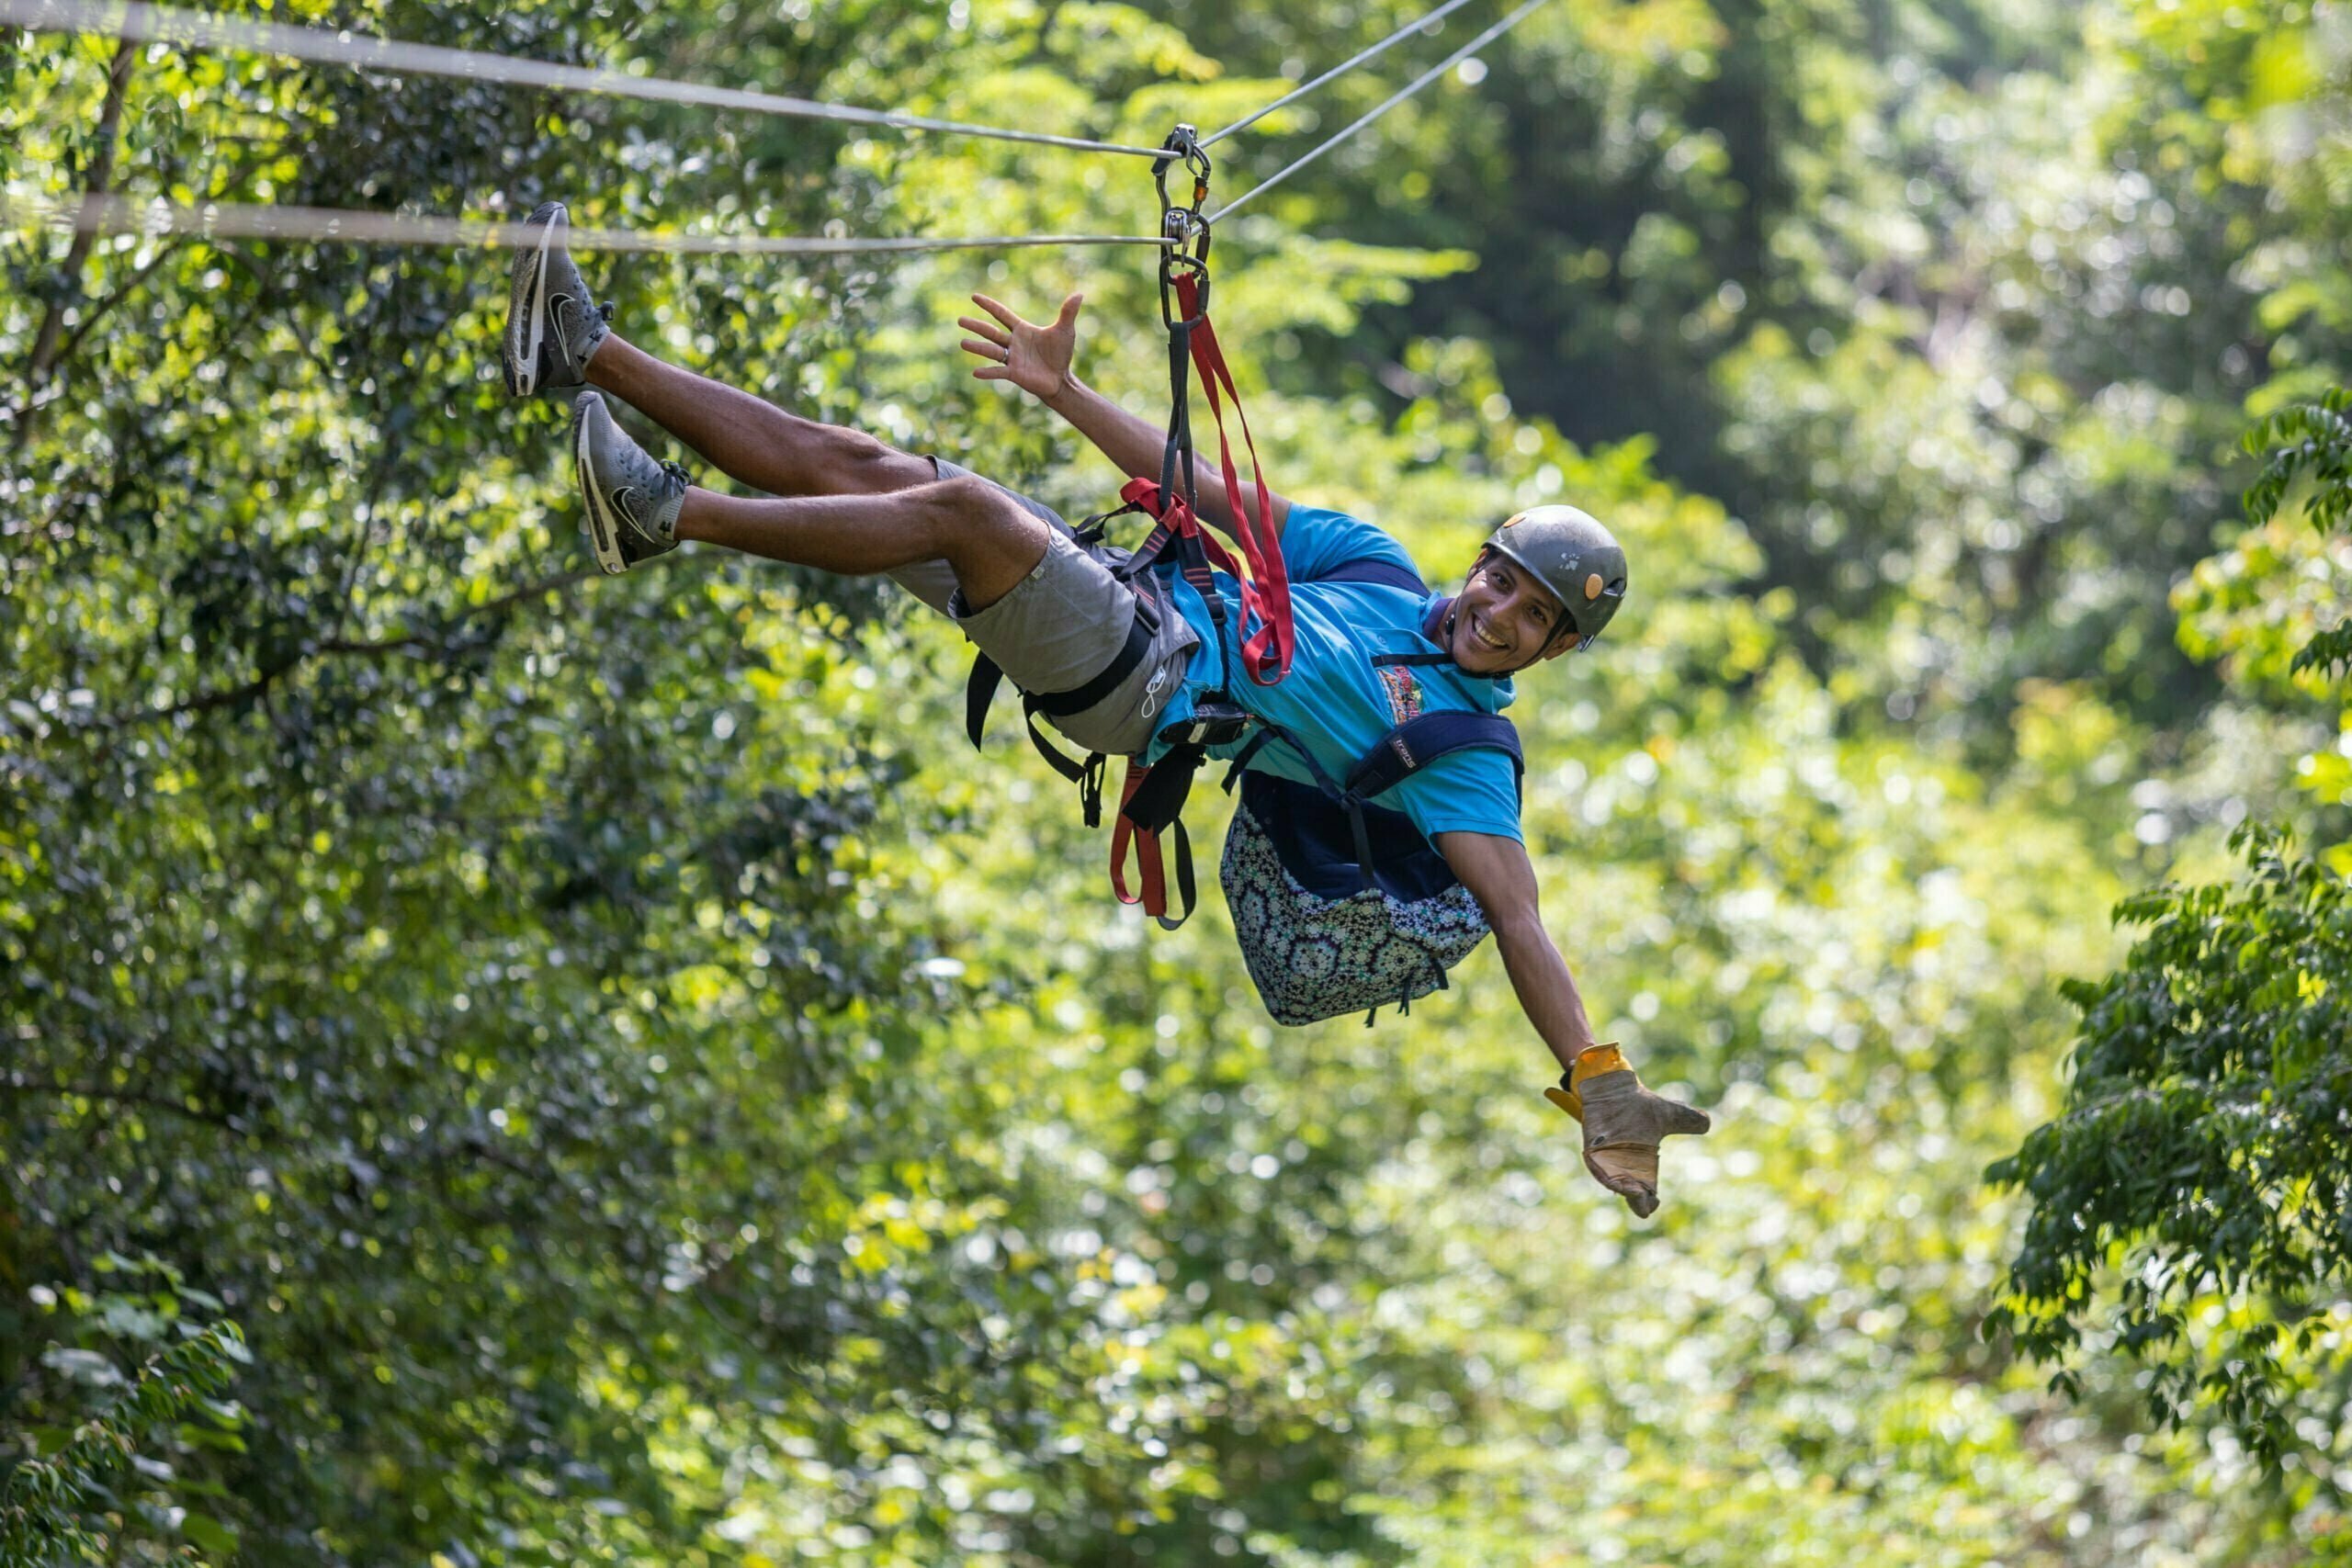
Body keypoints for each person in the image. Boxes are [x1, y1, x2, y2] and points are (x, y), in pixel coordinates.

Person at [503, 202, 1712, 1215]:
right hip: (1134, 594)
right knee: (879, 471)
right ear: (1482, 563)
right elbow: (1214, 492)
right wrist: (1064, 393)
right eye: (1505, 579)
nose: (1501, 611)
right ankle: (590, 352)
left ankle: (671, 517)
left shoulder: (1464, 752)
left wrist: (1598, 1085)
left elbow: (1518, 919)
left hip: (1147, 688)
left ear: (1549, 651)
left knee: (967, 509)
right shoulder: (1382, 569)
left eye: (1533, 617)